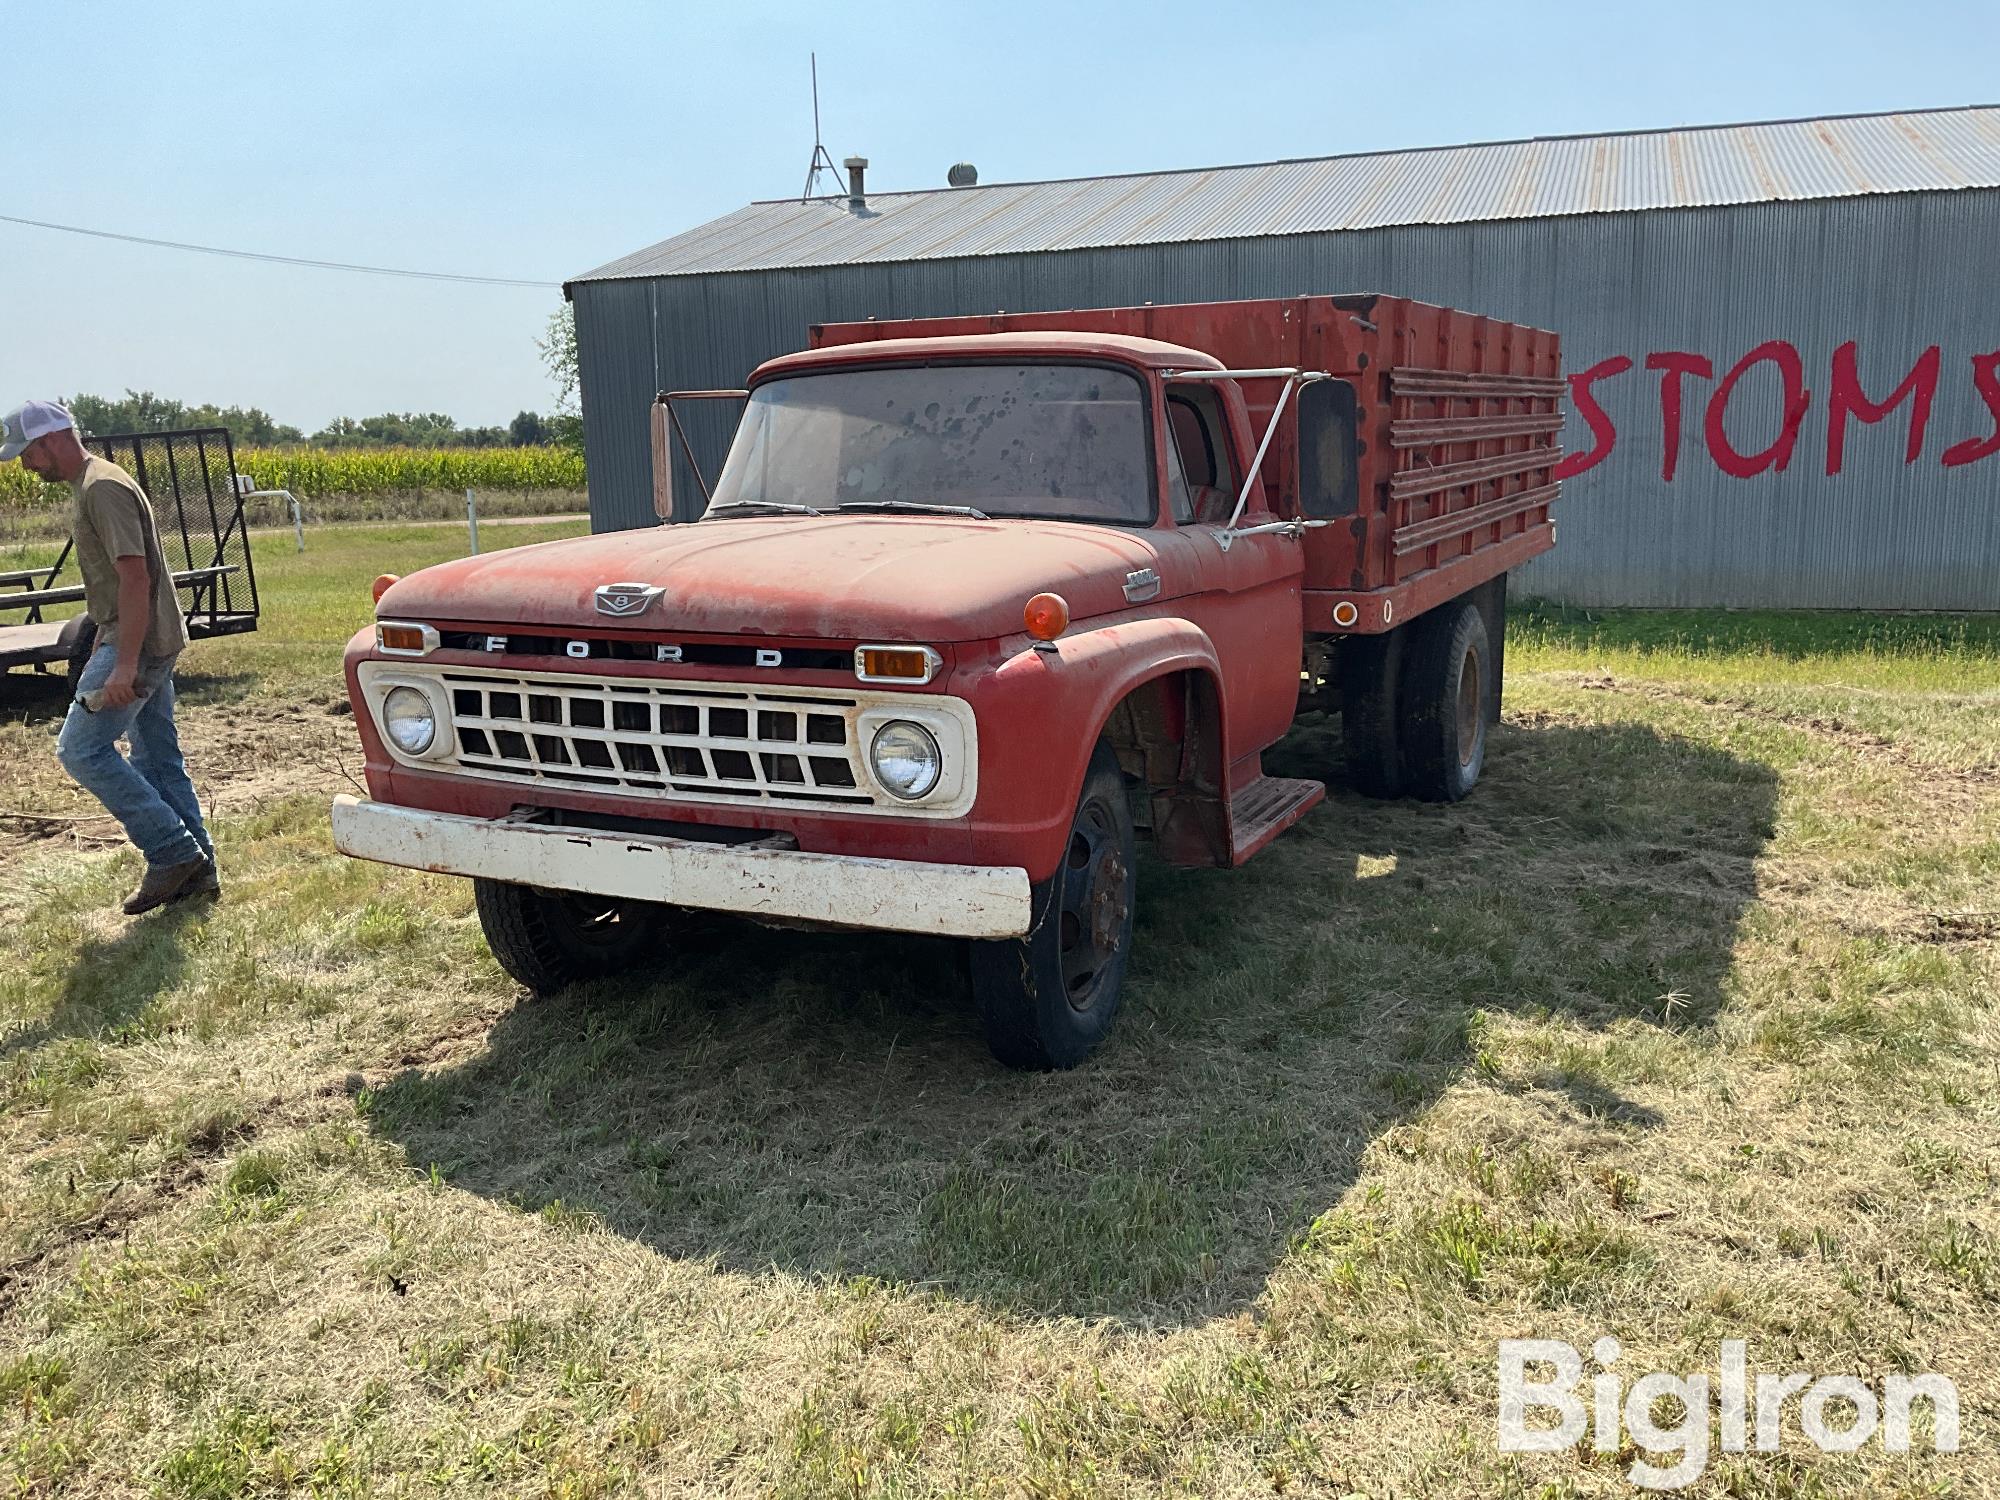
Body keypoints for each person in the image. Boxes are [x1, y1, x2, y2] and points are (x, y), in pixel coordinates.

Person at [2, 400, 217, 913]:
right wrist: (104, 631)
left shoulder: (103, 488)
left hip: (138, 646)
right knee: (158, 759)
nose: (26, 467)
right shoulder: (94, 483)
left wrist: (123, 664)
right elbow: (115, 582)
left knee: (80, 750)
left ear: (50, 440)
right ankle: (198, 872)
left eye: (27, 454)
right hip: (136, 637)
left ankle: (171, 853)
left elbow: (135, 576)